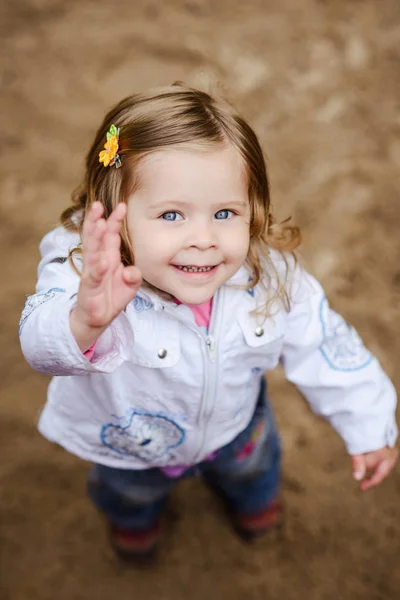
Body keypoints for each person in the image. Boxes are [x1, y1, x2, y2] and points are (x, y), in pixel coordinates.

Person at [20, 83, 398, 560]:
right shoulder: (84, 269)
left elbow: (326, 343)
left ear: (253, 207)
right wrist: (84, 320)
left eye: (224, 212)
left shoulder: (270, 275)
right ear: (117, 212)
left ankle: (254, 506)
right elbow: (40, 345)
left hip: (236, 427)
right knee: (128, 496)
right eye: (172, 214)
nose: (203, 238)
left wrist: (368, 423)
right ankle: (136, 524)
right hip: (127, 443)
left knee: (255, 473)